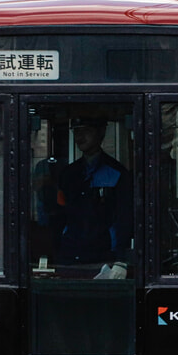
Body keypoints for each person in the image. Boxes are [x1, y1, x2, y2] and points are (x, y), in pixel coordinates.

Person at [54, 117, 132, 278]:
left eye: (86, 131)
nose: (80, 137)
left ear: (101, 133)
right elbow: (59, 215)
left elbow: (125, 218)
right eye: (76, 132)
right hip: (70, 255)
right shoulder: (68, 174)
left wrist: (121, 260)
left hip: (104, 257)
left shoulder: (117, 173)